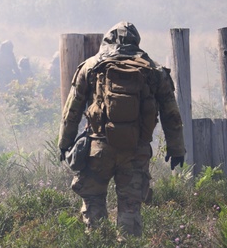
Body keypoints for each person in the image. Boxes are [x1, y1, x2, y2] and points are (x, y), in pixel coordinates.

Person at [58, 21, 185, 236]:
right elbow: (171, 114)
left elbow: (71, 111)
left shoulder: (89, 66)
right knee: (130, 206)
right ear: (136, 41)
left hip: (98, 149)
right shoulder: (154, 70)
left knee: (94, 201)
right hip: (136, 151)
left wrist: (64, 143)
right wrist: (176, 149)